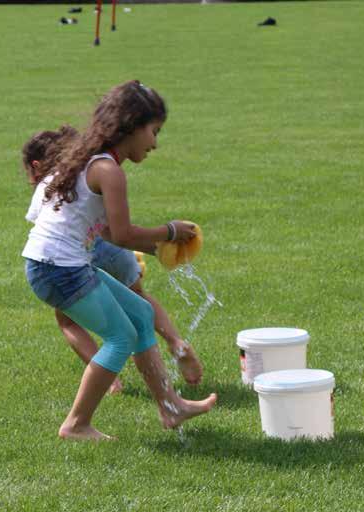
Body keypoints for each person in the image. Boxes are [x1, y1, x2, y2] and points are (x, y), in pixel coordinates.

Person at [21, 80, 217, 440]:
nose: (155, 143)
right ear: (131, 124)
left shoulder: (93, 161)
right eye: (153, 131)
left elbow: (109, 233)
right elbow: (124, 236)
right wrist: (168, 231)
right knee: (121, 336)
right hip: (57, 269)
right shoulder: (109, 171)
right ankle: (76, 424)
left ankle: (170, 406)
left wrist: (160, 246)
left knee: (140, 314)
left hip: (57, 265)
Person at [22, 127, 204, 396]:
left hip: (66, 259)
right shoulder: (91, 169)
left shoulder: (53, 180)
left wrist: (169, 232)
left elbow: (50, 226)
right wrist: (159, 247)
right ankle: (174, 342)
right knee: (139, 299)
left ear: (37, 165)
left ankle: (107, 381)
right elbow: (114, 232)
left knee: (73, 322)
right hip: (105, 247)